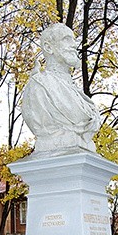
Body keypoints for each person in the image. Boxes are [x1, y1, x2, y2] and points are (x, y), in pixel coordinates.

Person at [21, 23, 100, 153]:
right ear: (48, 47)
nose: (74, 45)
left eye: (74, 40)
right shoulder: (39, 86)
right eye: (66, 39)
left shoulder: (77, 91)